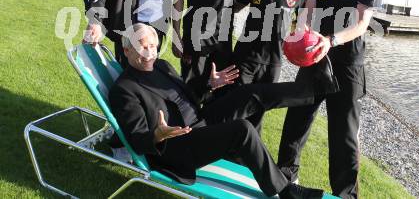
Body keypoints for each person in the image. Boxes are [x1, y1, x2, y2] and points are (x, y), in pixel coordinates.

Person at [109, 23, 338, 198]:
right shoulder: (124, 89)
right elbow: (137, 140)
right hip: (178, 145)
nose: (149, 52)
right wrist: (158, 134)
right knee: (243, 130)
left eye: (152, 46)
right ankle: (286, 190)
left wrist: (209, 84)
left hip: (199, 121)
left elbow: (185, 96)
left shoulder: (161, 65)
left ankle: (313, 90)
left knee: (247, 94)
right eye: (142, 47)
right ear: (127, 50)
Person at [277, 0, 380, 199]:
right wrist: (301, 34)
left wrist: (330, 40)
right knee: (296, 121)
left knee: (343, 137)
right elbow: (307, 13)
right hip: (315, 61)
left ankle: (345, 195)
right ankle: (284, 182)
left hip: (348, 66)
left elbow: (361, 23)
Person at [233, 0, 306, 132]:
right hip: (246, 56)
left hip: (273, 60)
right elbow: (233, 8)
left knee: (259, 109)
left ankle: (249, 151)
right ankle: (228, 147)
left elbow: (303, 24)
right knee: (238, 104)